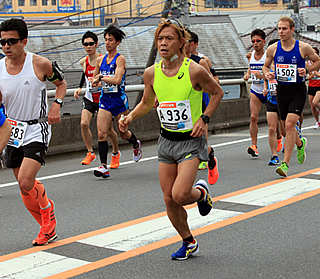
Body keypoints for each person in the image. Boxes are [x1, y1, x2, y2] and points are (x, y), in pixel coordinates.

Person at [119, 19, 223, 260]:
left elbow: (217, 92)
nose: (163, 43)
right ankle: (188, 241)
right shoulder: (152, 73)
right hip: (166, 141)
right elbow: (146, 102)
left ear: (181, 43)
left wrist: (204, 119)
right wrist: (130, 117)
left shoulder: (194, 70)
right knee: (169, 199)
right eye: (160, 39)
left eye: (169, 39)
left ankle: (200, 192)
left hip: (190, 140)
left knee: (180, 194)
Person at [0, 18, 67, 246]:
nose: (6, 46)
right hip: (12, 130)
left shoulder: (40, 64)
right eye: (2, 42)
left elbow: (61, 84)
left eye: (11, 41)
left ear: (24, 41)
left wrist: (57, 104)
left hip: (36, 128)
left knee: (27, 180)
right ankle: (46, 228)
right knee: (22, 184)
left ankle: (48, 214)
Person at [263, 16, 320, 177]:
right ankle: (300, 144)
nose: (281, 31)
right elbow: (265, 66)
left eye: (284, 29)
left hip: (297, 90)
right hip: (281, 90)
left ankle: (285, 164)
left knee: (289, 125)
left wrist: (307, 70)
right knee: (284, 128)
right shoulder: (273, 49)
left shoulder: (303, 47)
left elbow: (318, 62)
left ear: (292, 30)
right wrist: (268, 74)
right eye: (279, 28)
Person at [90, 25, 141, 178]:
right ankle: (103, 166)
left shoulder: (120, 59)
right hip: (105, 100)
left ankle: (135, 143)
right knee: (101, 134)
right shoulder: (100, 60)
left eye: (110, 40)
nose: (107, 43)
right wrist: (97, 81)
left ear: (117, 42)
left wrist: (102, 78)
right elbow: (95, 81)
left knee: (123, 133)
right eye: (105, 40)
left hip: (119, 101)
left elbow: (118, 80)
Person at [73, 31, 119, 165]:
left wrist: (101, 82)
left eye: (91, 44)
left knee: (109, 131)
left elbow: (111, 76)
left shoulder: (104, 59)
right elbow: (85, 76)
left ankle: (115, 153)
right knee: (83, 123)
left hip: (103, 98)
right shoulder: (84, 61)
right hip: (89, 97)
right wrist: (79, 87)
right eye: (85, 44)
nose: (88, 47)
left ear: (96, 44)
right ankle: (90, 152)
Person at [184, 30, 219, 183]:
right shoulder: (170, 62)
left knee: (199, 134)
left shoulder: (200, 61)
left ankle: (207, 156)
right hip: (181, 106)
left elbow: (212, 84)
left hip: (199, 101)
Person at [243, 29, 267, 157]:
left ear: (263, 42)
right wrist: (248, 74)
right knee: (253, 117)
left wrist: (263, 75)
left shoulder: (268, 55)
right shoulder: (250, 55)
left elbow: (273, 72)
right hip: (255, 89)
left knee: (275, 120)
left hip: (268, 90)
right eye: (253, 41)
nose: (255, 43)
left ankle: (279, 138)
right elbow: (251, 66)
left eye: (258, 41)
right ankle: (254, 145)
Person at [306, 47, 320, 128]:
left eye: (315, 52)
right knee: (312, 106)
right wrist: (311, 75)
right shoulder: (308, 63)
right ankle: (317, 121)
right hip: (311, 85)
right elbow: (308, 75)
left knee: (315, 102)